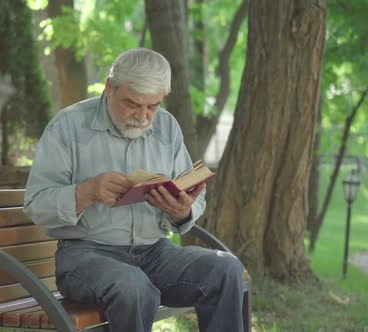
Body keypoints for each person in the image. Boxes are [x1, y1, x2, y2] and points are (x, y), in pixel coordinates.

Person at [24, 48, 245, 332]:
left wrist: (182, 211)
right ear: (109, 87)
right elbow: (36, 204)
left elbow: (192, 195)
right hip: (85, 256)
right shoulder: (67, 127)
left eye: (152, 106)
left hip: (155, 253)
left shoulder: (167, 127)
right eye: (132, 104)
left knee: (224, 269)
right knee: (133, 286)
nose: (142, 116)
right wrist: (86, 191)